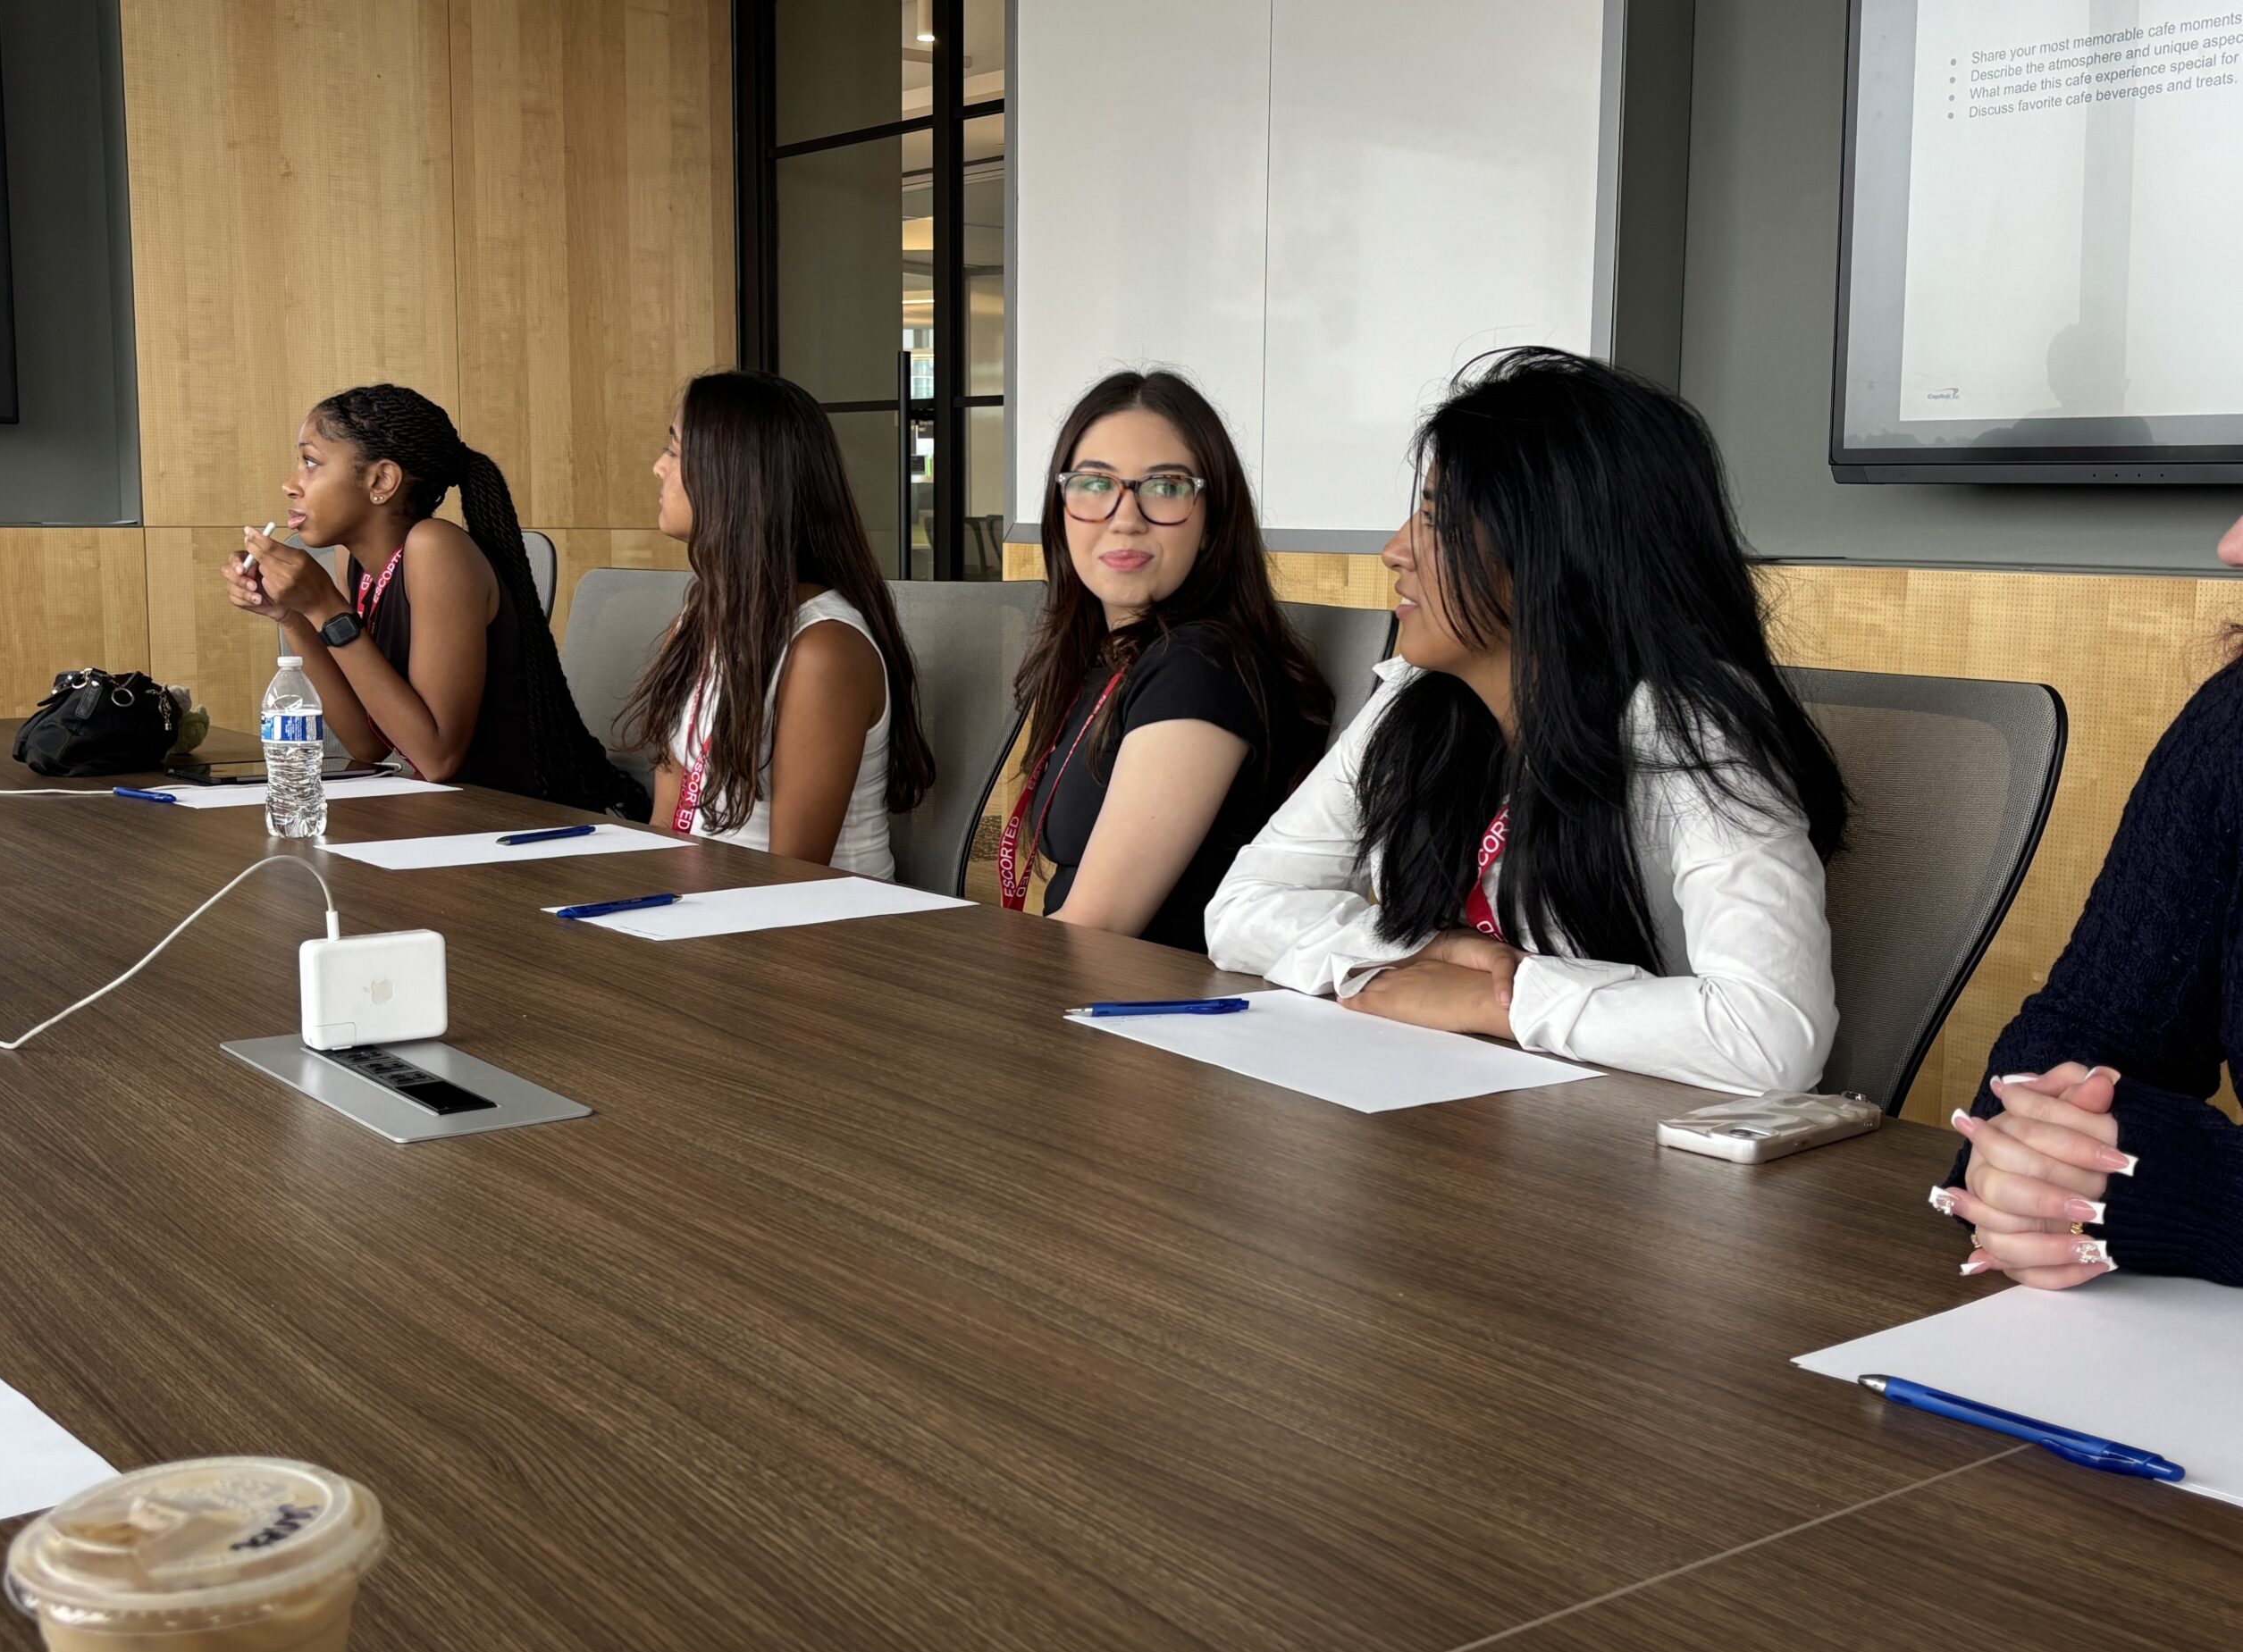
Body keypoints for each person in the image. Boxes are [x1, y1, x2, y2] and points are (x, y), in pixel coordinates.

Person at [1205, 347, 1848, 1094]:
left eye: (1438, 519)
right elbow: (1242, 910)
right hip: (1446, 1118)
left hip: (1616, 1163)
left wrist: (1502, 1000)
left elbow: (1771, 1036)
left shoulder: (1686, 724)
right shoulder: (1417, 699)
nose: (1395, 551)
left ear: (1551, 551)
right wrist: (1409, 958)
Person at [1931, 509, 2243, 1289]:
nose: (2232, 545)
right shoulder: (2233, 724)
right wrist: (2030, 1171)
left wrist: (2207, 1197)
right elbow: (2083, 1039)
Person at [1004, 370, 1333, 951]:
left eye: (1166, 487)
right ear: (1060, 510)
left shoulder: (1199, 667)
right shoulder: (1109, 658)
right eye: (1094, 484)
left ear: (1212, 521)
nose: (1125, 516)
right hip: (1082, 999)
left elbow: (1098, 927)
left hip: (1151, 1019)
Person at [223, 384, 643, 817]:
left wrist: (325, 609)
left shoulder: (435, 548)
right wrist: (292, 614)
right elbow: (369, 741)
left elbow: (437, 757)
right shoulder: (351, 560)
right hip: (449, 822)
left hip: (525, 822)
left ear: (381, 480)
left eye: (310, 462)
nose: (291, 484)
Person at [623, 371, 933, 879]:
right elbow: (667, 822)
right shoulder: (697, 624)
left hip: (814, 935)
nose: (658, 468)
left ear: (733, 478)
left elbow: (793, 877)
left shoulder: (823, 649)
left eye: (675, 451)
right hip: (706, 908)